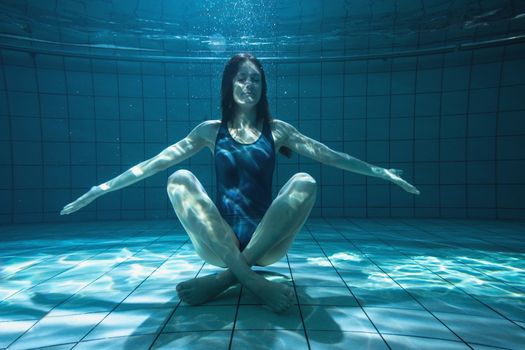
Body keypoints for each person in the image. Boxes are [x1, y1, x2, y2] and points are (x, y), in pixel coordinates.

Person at [60, 53, 420, 313]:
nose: (249, 85)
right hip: (219, 243)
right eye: (242, 78)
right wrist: (100, 189)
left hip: (268, 242)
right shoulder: (208, 132)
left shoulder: (278, 130)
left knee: (305, 180)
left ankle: (227, 280)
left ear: (264, 88)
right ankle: (249, 278)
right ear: (229, 83)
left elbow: (329, 155)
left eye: (256, 80)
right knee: (179, 177)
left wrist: (380, 172)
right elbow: (154, 163)